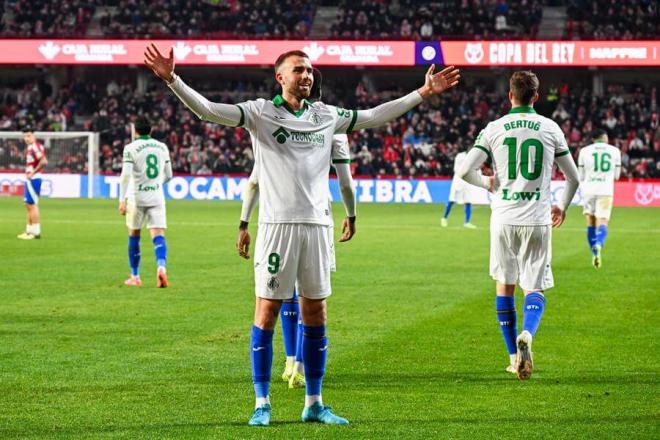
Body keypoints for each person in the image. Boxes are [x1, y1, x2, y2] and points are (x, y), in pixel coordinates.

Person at [144, 43, 459, 426]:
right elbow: (208, 111)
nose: (306, 75)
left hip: (318, 227)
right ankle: (262, 403)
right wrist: (172, 79)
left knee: (316, 311)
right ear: (280, 77)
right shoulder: (260, 113)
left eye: (309, 70)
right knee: (267, 311)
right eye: (298, 70)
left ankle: (314, 401)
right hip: (278, 229)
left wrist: (423, 93)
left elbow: (375, 115)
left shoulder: (326, 115)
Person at [457, 71, 579, 380]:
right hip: (537, 218)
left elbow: (464, 171)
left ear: (510, 95)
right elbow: (574, 178)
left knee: (504, 286)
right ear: (536, 97)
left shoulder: (494, 128)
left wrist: (489, 182)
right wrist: (561, 207)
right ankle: (528, 332)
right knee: (533, 286)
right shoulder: (550, 128)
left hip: (503, 218)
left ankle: (514, 357)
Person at [118, 116, 173, 288]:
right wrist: (156, 184)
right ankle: (161, 267)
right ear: (151, 130)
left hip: (137, 197)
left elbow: (125, 176)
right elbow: (169, 175)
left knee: (134, 235)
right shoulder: (162, 147)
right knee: (158, 235)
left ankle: (135, 276)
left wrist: (121, 199)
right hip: (156, 196)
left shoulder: (130, 148)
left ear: (135, 131)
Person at [577, 129, 621, 269]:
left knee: (590, 223)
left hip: (589, 190)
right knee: (603, 221)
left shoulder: (584, 151)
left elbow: (581, 176)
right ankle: (599, 244)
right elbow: (617, 176)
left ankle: (594, 253)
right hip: (605, 190)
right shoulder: (615, 151)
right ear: (604, 137)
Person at [17, 128, 47, 240]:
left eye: (29, 135)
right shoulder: (30, 147)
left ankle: (36, 233)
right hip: (30, 178)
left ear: (34, 136)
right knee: (27, 205)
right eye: (25, 136)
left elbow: (44, 161)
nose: (26, 138)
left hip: (34, 178)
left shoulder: (35, 147)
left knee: (32, 205)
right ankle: (29, 231)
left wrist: (33, 173)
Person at [441, 147, 477, 229]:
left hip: (467, 181)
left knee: (468, 201)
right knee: (452, 200)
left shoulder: (474, 158)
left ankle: (467, 222)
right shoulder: (460, 156)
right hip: (458, 181)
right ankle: (444, 218)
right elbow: (456, 169)